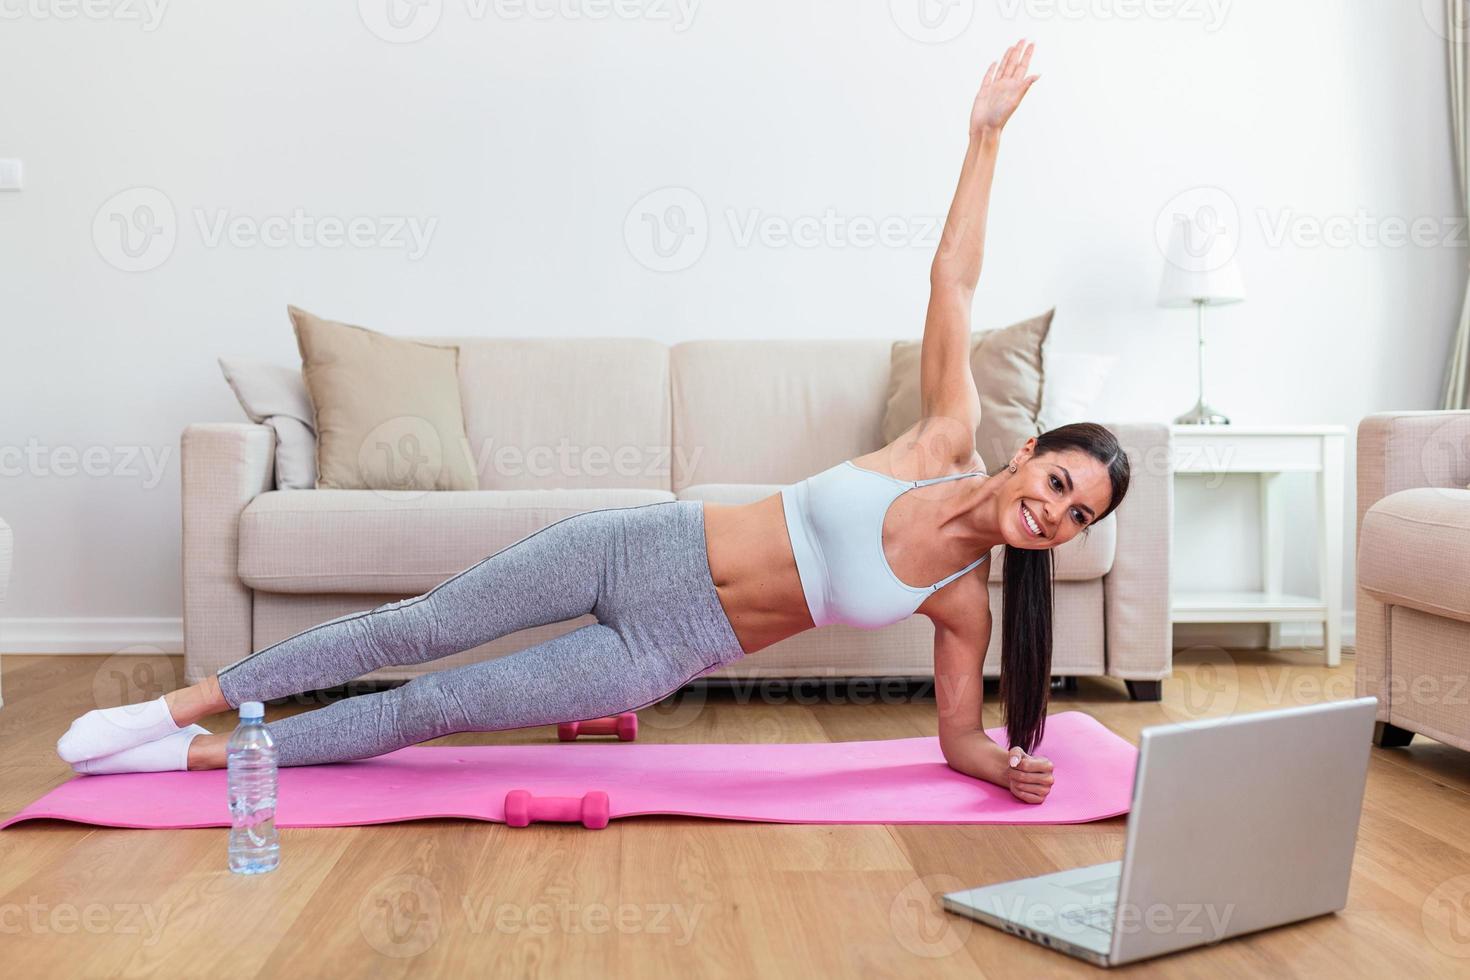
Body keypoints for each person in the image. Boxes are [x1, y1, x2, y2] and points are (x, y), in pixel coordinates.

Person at [57, 39, 1129, 806]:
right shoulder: (944, 433)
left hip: (666, 647)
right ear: (1029, 451)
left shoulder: (963, 606)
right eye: (1060, 482)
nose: (1055, 511)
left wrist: (1000, 764)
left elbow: (953, 733)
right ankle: (171, 710)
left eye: (1077, 516)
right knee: (414, 628)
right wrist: (982, 141)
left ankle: (193, 763)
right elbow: (953, 273)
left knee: (436, 704)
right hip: (638, 545)